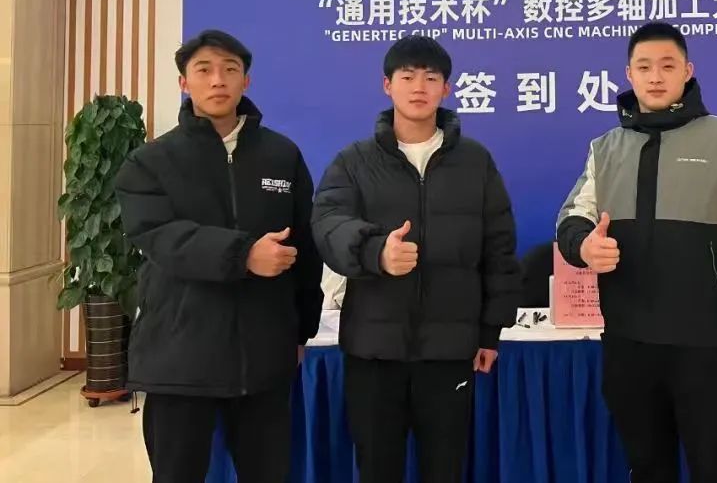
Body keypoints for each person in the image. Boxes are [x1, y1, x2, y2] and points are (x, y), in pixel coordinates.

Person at [556, 22, 717, 483]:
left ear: (687, 71)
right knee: (647, 467)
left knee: (716, 469)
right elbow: (572, 218)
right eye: (644, 67)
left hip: (704, 344)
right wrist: (585, 246)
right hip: (628, 342)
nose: (655, 76)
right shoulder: (606, 148)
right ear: (629, 75)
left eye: (667, 66)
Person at [312, 35, 521, 483]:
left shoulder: (475, 162)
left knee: (444, 469)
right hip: (373, 351)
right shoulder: (354, 162)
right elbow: (327, 224)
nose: (419, 87)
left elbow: (499, 248)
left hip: (450, 351)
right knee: (377, 468)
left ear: (446, 88)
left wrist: (490, 331)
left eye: (431, 77)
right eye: (407, 77)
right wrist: (375, 251)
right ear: (387, 85)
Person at [117, 29, 323, 483]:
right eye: (204, 70)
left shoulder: (282, 156)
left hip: (262, 357)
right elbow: (158, 236)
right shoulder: (150, 161)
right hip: (180, 355)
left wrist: (301, 329)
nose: (217, 80)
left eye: (230, 70)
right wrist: (243, 254)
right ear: (184, 82)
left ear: (245, 81)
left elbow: (305, 248)